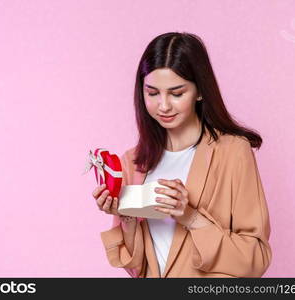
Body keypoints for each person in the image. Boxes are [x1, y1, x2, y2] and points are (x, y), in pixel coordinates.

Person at [92, 32, 272, 278]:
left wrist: (190, 216)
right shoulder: (133, 162)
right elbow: (136, 270)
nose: (164, 105)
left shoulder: (233, 152)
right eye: (152, 93)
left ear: (200, 92)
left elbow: (255, 261)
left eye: (177, 93)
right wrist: (126, 217)